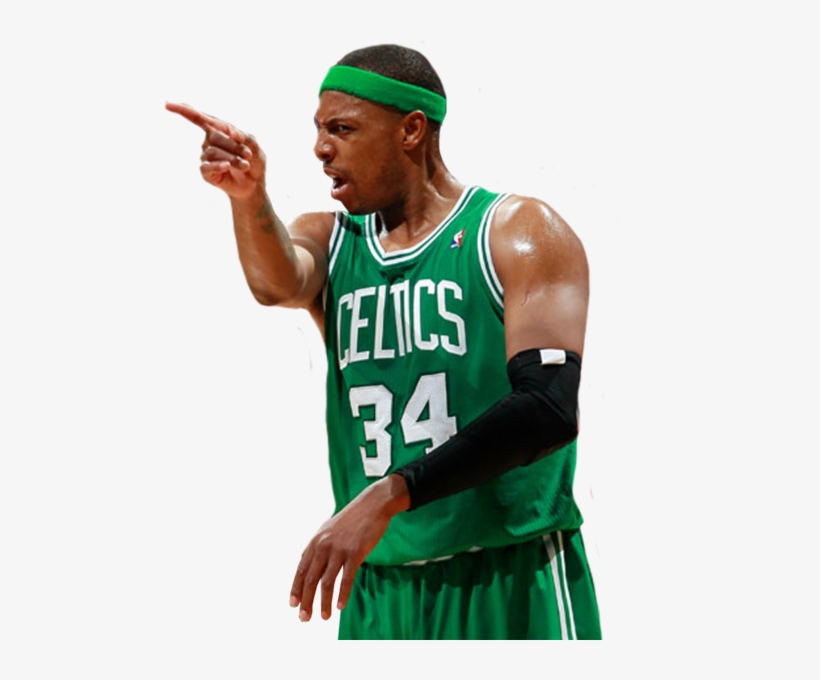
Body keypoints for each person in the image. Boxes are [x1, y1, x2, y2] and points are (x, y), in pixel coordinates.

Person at [167, 44, 601, 640]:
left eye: (342, 129)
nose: (321, 149)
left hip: (508, 572)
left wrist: (392, 494)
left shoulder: (515, 231)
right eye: (318, 129)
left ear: (411, 130)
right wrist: (247, 198)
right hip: (380, 582)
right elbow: (278, 282)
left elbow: (547, 408)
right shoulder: (333, 240)